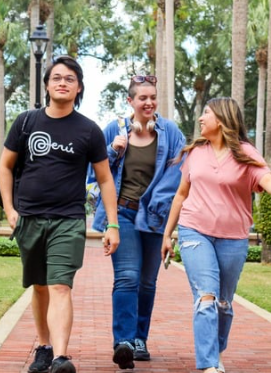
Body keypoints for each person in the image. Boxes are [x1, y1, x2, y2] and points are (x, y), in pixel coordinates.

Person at [0, 55, 119, 373]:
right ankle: (44, 347)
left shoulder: (89, 130)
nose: (62, 82)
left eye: (69, 78)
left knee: (60, 286)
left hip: (68, 220)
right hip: (29, 219)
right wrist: (10, 210)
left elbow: (105, 179)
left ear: (79, 87)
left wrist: (113, 224)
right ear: (47, 85)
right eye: (57, 78)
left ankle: (61, 358)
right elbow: (5, 166)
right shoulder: (26, 122)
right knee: (39, 286)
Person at [161, 97, 271, 373]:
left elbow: (265, 178)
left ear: (222, 119)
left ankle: (214, 352)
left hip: (233, 237)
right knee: (206, 296)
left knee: (223, 303)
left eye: (206, 112)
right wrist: (167, 234)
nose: (201, 118)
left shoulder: (245, 152)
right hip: (195, 230)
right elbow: (181, 194)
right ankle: (208, 365)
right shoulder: (196, 153)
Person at [89, 74, 185, 370]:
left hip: (155, 216)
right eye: (142, 98)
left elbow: (179, 172)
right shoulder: (113, 130)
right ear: (129, 101)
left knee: (147, 282)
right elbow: (94, 173)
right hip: (124, 214)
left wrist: (161, 208)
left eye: (153, 97)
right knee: (128, 277)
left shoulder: (170, 132)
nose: (149, 102)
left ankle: (140, 338)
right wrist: (112, 151)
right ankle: (124, 342)